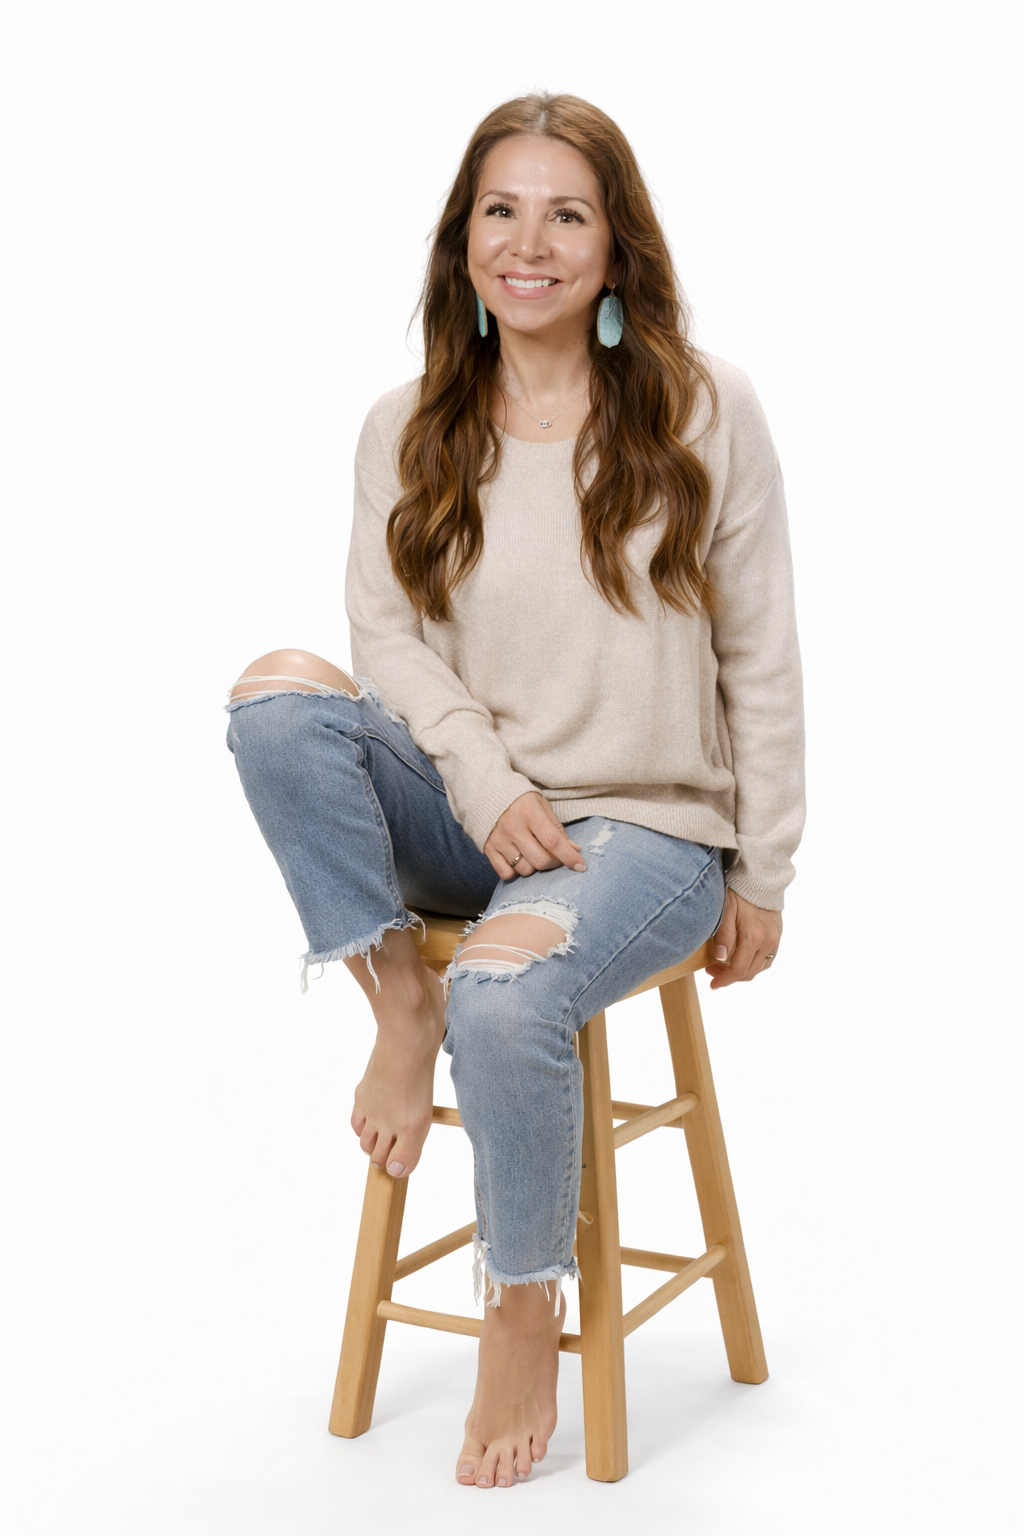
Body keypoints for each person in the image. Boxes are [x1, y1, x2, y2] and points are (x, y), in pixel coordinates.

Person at [225, 92, 804, 1490]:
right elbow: (386, 642)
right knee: (278, 695)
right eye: (501, 210)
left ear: (616, 249)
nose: (528, 243)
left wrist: (767, 875)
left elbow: (761, 651)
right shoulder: (409, 424)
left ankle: (523, 1298)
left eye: (566, 213)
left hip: (645, 831)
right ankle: (397, 1001)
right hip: (479, 819)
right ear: (462, 240)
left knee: (510, 984)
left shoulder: (703, 408)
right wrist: (479, 782)